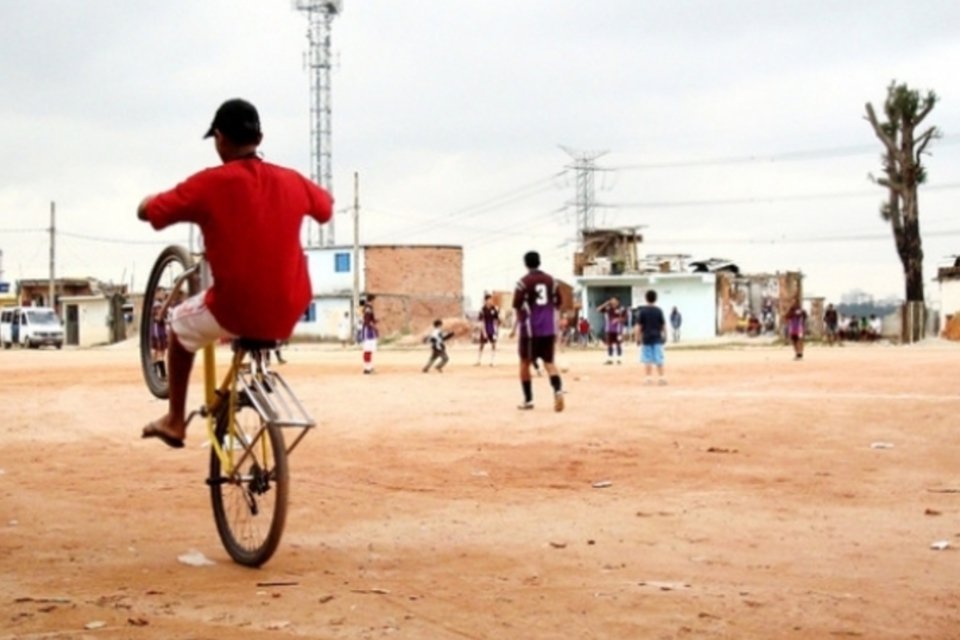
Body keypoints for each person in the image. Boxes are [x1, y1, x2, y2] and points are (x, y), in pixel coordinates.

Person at [138, 98, 333, 448]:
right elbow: (325, 209)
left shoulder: (209, 184)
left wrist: (147, 201)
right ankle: (230, 398)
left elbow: (152, 213)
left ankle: (174, 420)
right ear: (260, 137)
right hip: (290, 306)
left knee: (178, 326)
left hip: (236, 307)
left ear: (219, 137)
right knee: (238, 321)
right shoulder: (292, 180)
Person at [512, 251, 565, 411]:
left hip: (530, 330)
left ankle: (528, 400)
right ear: (539, 262)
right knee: (549, 363)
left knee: (524, 363)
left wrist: (518, 324)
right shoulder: (552, 281)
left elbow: (516, 305)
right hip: (549, 328)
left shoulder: (523, 282)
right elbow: (559, 302)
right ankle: (558, 390)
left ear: (526, 264)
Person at [635, 289, 667, 385]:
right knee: (659, 358)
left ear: (646, 299)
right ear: (655, 299)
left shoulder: (642, 311)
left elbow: (638, 327)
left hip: (646, 338)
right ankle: (661, 378)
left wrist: (637, 338)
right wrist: (665, 335)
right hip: (657, 337)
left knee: (647, 359)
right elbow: (663, 325)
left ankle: (648, 378)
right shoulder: (659, 311)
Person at [475, 294, 500, 366]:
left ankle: (492, 361)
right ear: (486, 301)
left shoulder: (494, 309)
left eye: (491, 300)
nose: (490, 301)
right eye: (489, 300)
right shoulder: (482, 309)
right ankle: (478, 361)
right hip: (484, 328)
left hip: (492, 328)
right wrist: (484, 332)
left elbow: (496, 320)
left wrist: (496, 330)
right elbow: (481, 321)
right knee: (481, 345)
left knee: (493, 344)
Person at [597, 297, 624, 364]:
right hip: (609, 329)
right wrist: (605, 303)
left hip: (618, 330)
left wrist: (617, 319)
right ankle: (610, 359)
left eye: (614, 301)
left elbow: (625, 318)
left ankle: (619, 359)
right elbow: (598, 309)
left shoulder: (621, 309)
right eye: (612, 301)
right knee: (609, 344)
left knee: (618, 344)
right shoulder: (608, 309)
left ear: (618, 302)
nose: (613, 302)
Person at [360, 295, 378, 374]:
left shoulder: (368, 308)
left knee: (369, 350)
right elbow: (367, 321)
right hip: (368, 331)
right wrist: (373, 325)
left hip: (369, 330)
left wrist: (374, 321)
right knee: (367, 349)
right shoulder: (368, 308)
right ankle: (367, 368)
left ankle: (369, 367)